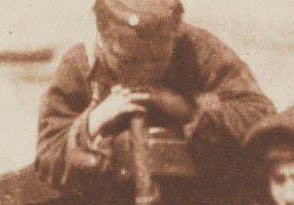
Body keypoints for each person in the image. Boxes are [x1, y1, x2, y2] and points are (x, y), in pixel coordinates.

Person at [35, 0, 275, 188]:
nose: (145, 72)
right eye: (130, 61)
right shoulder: (80, 65)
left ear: (175, 34)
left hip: (199, 202)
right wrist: (95, 120)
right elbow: (47, 158)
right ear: (103, 37)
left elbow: (262, 121)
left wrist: (189, 109)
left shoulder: (198, 50)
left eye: (158, 59)